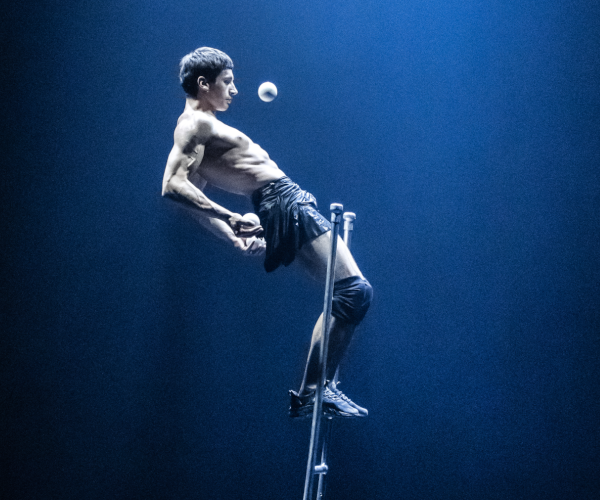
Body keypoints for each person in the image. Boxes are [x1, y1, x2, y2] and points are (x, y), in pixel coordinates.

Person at [162, 47, 373, 418]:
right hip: (283, 202)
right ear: (203, 83)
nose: (234, 90)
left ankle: (314, 390)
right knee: (353, 291)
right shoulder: (194, 124)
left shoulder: (205, 125)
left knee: (348, 294)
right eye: (227, 82)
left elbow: (192, 198)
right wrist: (230, 218)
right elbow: (173, 186)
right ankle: (312, 391)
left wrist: (231, 235)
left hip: (285, 200)